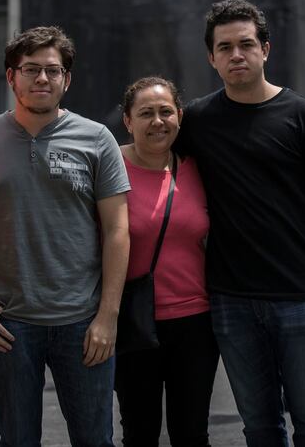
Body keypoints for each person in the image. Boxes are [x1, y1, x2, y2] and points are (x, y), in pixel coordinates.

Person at [176, 0, 305, 446]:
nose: (237, 55)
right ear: (212, 58)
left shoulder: (304, 116)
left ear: (265, 50)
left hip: (300, 296)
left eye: (246, 44)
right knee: (259, 426)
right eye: (225, 47)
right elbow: (149, 158)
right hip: (230, 299)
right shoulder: (197, 119)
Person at [0, 26, 130, 446]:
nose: (42, 79)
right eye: (31, 69)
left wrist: (108, 316)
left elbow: (117, 230)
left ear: (66, 79)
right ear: (10, 76)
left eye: (52, 71)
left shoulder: (97, 139)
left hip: (83, 321)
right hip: (9, 323)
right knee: (18, 440)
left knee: (95, 440)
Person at [114, 76, 219, 446]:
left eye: (165, 112)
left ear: (179, 116)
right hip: (132, 322)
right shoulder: (109, 168)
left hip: (195, 323)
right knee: (139, 433)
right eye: (145, 113)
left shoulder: (198, 167)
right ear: (128, 121)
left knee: (191, 433)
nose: (157, 121)